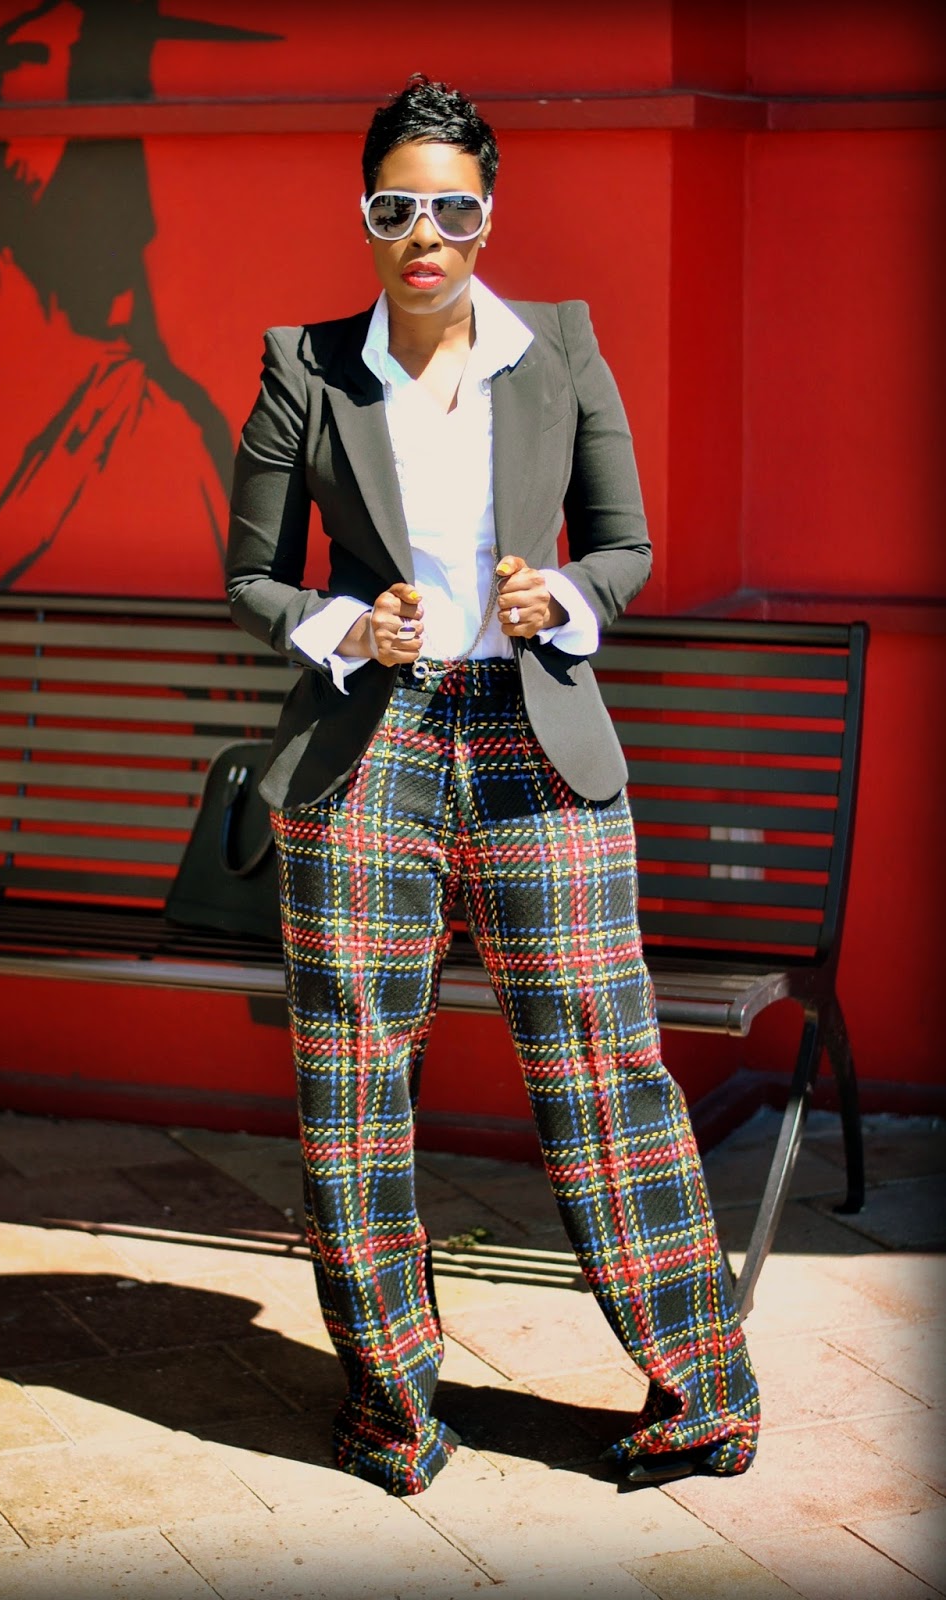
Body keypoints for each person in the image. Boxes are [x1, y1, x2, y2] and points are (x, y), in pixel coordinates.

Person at [226, 74, 759, 1498]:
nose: (425, 235)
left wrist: (561, 600)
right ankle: (391, 1414)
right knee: (353, 1080)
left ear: (488, 212)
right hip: (369, 752)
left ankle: (704, 1399)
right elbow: (252, 575)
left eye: (452, 209)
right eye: (395, 207)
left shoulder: (559, 350)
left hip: (536, 745)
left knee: (603, 1063)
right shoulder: (304, 366)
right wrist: (347, 626)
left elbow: (625, 548)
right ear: (363, 215)